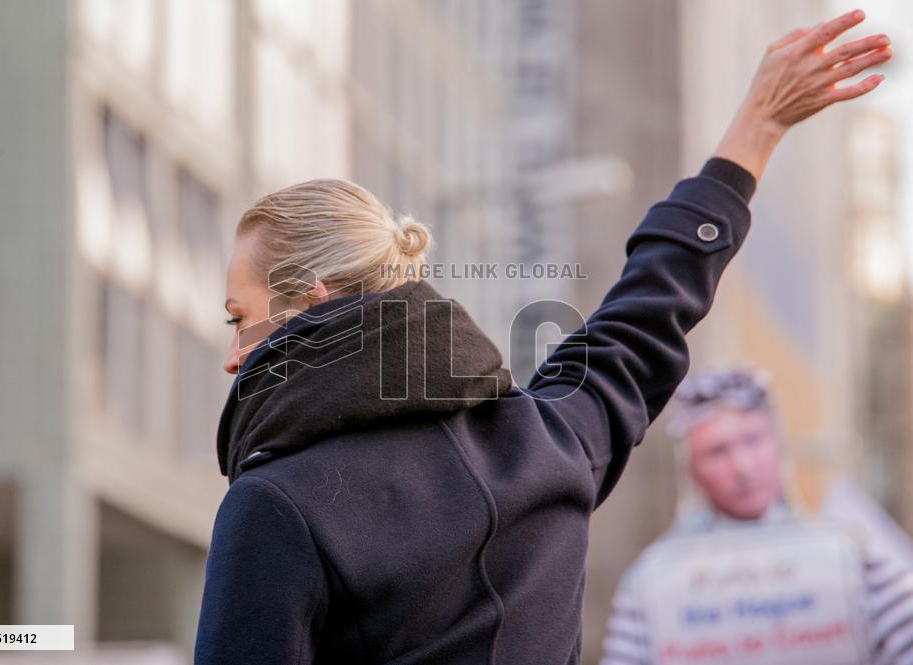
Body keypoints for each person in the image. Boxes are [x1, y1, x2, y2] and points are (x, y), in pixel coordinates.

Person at [194, 10, 892, 664]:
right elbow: (648, 311)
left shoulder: (278, 506)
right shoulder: (548, 446)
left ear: (309, 303)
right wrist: (755, 131)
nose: (232, 356)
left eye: (239, 316)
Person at [599, 367, 913, 665]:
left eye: (753, 439)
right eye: (718, 451)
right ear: (691, 469)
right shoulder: (653, 582)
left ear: (779, 444)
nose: (743, 466)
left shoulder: (852, 555)